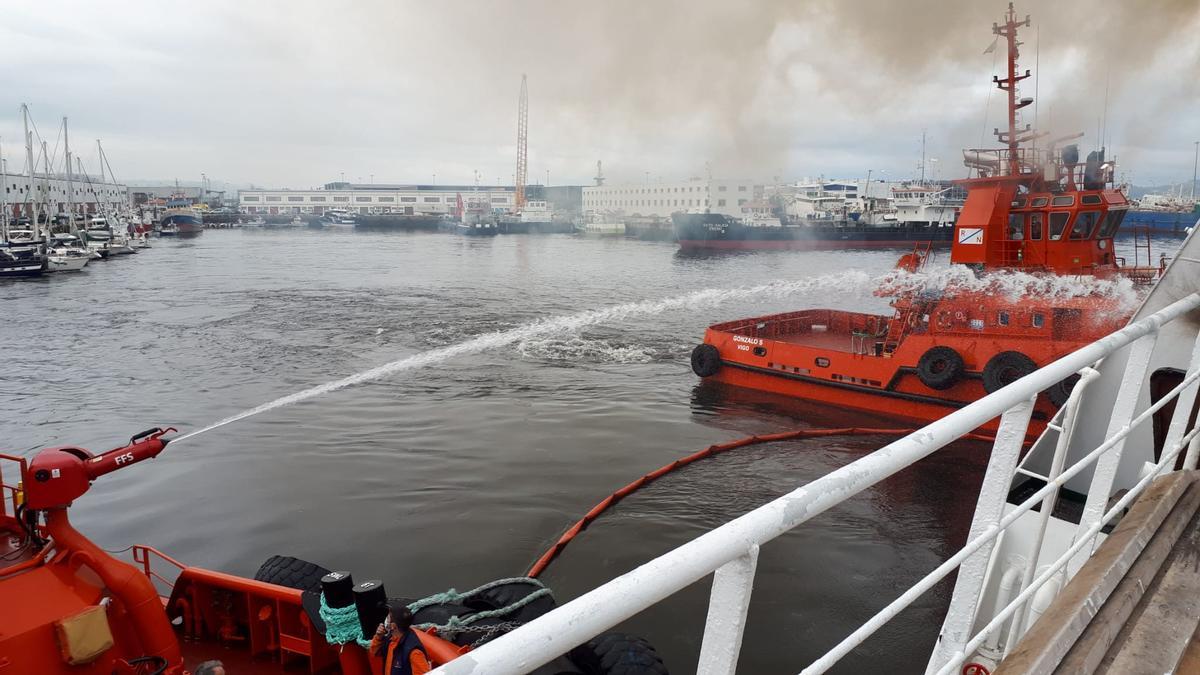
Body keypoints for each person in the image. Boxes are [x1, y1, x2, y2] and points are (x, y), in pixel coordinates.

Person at [370, 600, 432, 675]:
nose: (386, 619)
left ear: (393, 626)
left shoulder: (414, 653)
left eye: (389, 617)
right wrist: (378, 637)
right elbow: (375, 652)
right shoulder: (391, 638)